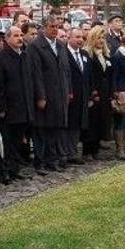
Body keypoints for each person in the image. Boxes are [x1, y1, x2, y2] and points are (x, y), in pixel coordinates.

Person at [0, 25, 35, 183]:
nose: (20, 38)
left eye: (21, 35)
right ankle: (5, 171)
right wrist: (1, 107)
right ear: (7, 38)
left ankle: (15, 169)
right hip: (9, 108)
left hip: (24, 107)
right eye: (15, 35)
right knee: (7, 142)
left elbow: (30, 81)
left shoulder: (25, 55)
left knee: (17, 141)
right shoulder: (0, 58)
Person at [26, 16, 71, 172]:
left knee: (55, 128)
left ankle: (52, 159)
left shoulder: (60, 45)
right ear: (43, 28)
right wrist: (41, 96)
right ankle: (41, 160)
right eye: (52, 26)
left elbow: (66, 70)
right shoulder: (35, 46)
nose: (55, 29)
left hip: (60, 93)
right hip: (46, 94)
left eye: (57, 26)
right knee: (41, 129)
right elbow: (36, 73)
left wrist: (68, 90)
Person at [82, 25, 113, 160]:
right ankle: (87, 151)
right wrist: (92, 92)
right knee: (91, 123)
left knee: (101, 121)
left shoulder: (105, 55)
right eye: (99, 37)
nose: (101, 40)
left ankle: (96, 149)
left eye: (103, 37)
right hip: (94, 93)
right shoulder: (87, 54)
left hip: (105, 93)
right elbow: (88, 76)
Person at [65, 28, 91, 165]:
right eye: (77, 37)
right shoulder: (63, 53)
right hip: (69, 95)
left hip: (82, 96)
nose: (80, 39)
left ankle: (73, 151)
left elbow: (88, 76)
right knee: (69, 124)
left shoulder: (85, 54)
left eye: (82, 37)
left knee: (77, 125)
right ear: (69, 38)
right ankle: (67, 152)